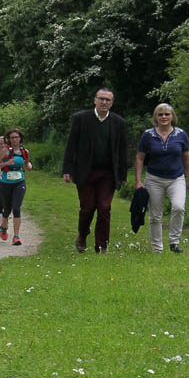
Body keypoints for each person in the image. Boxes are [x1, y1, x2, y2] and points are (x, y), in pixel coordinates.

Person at [62, 87, 128, 253]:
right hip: (86, 172)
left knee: (104, 208)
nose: (104, 102)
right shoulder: (81, 118)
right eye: (101, 99)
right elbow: (71, 145)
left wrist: (122, 175)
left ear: (112, 103)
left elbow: (122, 150)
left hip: (108, 173)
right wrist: (67, 169)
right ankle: (82, 235)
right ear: (95, 100)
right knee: (88, 207)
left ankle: (102, 244)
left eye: (108, 100)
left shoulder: (118, 122)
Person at [135, 103, 189, 253]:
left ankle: (174, 242)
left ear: (172, 116)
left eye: (167, 114)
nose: (164, 117)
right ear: (155, 117)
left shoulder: (181, 134)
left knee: (179, 207)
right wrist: (138, 180)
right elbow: (140, 158)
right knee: (155, 215)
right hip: (154, 179)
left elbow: (187, 158)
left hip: (177, 179)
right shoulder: (148, 135)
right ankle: (157, 248)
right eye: (160, 114)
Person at [0, 129, 31, 246]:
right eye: (12, 138)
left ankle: (16, 236)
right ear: (9, 139)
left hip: (19, 182)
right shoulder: (5, 150)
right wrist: (6, 163)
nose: (15, 139)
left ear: (20, 138)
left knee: (16, 208)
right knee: (7, 208)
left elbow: (27, 163)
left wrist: (29, 165)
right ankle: (4, 225)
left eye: (17, 137)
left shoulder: (24, 151)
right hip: (5, 182)